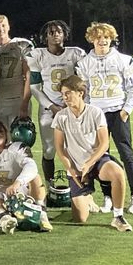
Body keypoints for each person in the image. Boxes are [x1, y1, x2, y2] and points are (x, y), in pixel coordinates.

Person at [75, 22, 133, 215]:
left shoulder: (123, 60)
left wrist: (126, 110)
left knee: (126, 154)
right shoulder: (85, 63)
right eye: (98, 37)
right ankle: (108, 197)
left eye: (105, 37)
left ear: (111, 38)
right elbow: (84, 93)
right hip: (97, 115)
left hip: (117, 112)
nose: (102, 41)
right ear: (92, 39)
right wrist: (86, 112)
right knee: (101, 157)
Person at [52, 76, 133, 232]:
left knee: (117, 173)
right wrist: (71, 170)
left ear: (80, 93)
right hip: (76, 166)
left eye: (68, 93)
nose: (65, 97)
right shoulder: (61, 117)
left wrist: (89, 163)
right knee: (80, 218)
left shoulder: (95, 113)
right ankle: (87, 196)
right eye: (63, 94)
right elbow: (60, 148)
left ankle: (118, 217)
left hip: (96, 161)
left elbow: (104, 144)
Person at [25, 20, 86, 181]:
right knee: (49, 149)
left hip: (72, 108)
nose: (55, 34)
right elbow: (35, 87)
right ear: (45, 36)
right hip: (48, 108)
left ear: (65, 34)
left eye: (59, 31)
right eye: (51, 32)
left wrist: (73, 105)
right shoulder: (37, 56)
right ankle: (50, 184)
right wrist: (52, 106)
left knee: (76, 148)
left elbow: (83, 82)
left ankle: (79, 186)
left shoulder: (76, 54)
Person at [0, 121, 52, 233]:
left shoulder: (16, 149)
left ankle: (41, 213)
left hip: (17, 192)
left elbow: (31, 166)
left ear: (7, 135)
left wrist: (17, 183)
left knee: (35, 177)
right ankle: (5, 220)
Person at [0, 14, 33, 128]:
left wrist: (24, 103)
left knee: (19, 140)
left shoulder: (21, 45)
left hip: (16, 100)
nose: (1, 29)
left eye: (3, 25)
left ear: (9, 26)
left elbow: (29, 74)